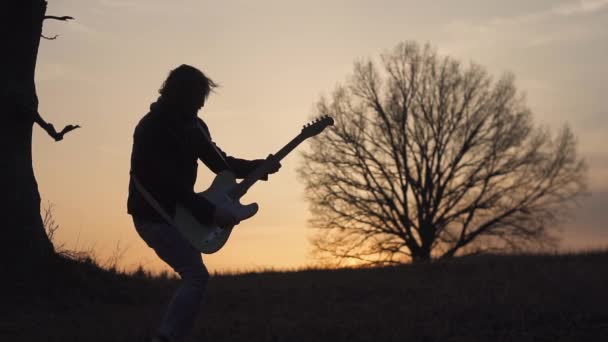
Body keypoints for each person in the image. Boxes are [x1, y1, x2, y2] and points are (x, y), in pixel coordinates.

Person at [127, 64, 280, 342]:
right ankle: (166, 338)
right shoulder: (150, 129)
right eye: (197, 98)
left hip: (180, 213)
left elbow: (222, 165)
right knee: (196, 276)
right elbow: (166, 185)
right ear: (180, 94)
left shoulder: (195, 127)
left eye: (203, 99)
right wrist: (209, 212)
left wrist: (259, 166)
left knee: (195, 277)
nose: (201, 105)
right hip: (152, 215)